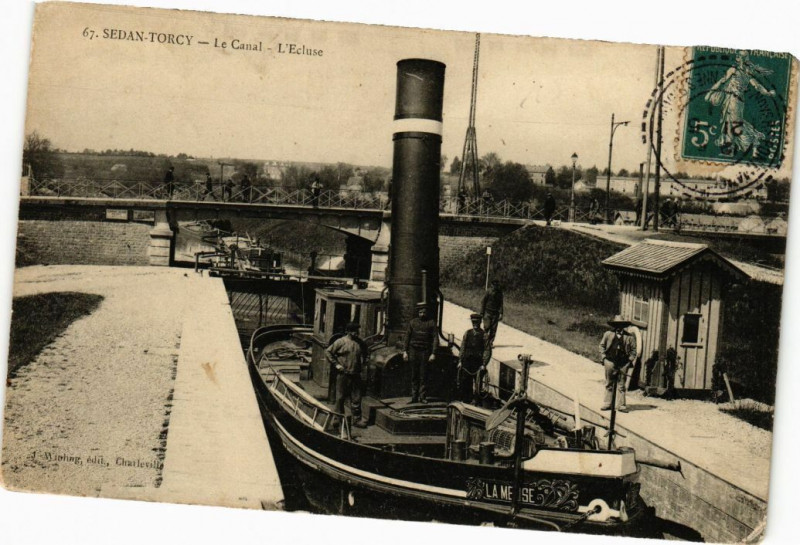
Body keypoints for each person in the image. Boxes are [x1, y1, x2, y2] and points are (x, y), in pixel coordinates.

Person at [326, 322, 368, 428]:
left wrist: (364, 362)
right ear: (348, 331)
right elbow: (328, 352)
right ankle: (338, 419)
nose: (356, 333)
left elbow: (365, 353)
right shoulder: (340, 342)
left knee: (356, 398)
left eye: (357, 330)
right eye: (354, 331)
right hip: (343, 374)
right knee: (340, 398)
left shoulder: (360, 343)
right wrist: (336, 365)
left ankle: (357, 420)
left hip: (356, 375)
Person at [598, 315, 637, 412]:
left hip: (623, 363)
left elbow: (634, 351)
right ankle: (608, 403)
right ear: (614, 326)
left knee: (621, 384)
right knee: (609, 383)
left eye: (621, 325)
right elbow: (601, 346)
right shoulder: (608, 334)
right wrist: (604, 359)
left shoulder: (629, 337)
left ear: (624, 326)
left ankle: (621, 405)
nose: (619, 327)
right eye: (617, 325)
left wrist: (629, 361)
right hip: (610, 361)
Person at [403, 302, 438, 404]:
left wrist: (433, 353)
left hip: (425, 352)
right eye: (420, 312)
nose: (422, 314)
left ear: (426, 312)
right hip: (413, 351)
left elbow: (435, 338)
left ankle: (422, 397)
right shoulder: (413, 322)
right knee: (414, 375)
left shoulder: (431, 323)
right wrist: (405, 351)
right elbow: (407, 337)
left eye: (424, 312)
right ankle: (414, 397)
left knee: (423, 375)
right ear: (418, 312)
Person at [458, 313, 488, 403]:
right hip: (467, 361)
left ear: (480, 322)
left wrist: (484, 364)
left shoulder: (484, 335)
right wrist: (460, 361)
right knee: (465, 382)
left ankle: (477, 401)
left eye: (477, 322)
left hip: (477, 363)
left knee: (478, 383)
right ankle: (466, 400)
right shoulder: (467, 333)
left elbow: (487, 350)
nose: (475, 324)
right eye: (473, 322)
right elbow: (462, 347)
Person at [481, 279, 504, 347]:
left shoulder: (500, 293)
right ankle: (484, 341)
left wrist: (501, 313)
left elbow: (501, 304)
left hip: (495, 313)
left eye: (497, 285)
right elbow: (483, 302)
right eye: (494, 285)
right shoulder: (488, 292)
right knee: (487, 327)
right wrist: (482, 312)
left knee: (493, 329)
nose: (495, 287)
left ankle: (490, 342)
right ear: (492, 285)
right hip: (487, 312)